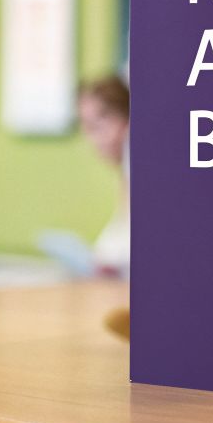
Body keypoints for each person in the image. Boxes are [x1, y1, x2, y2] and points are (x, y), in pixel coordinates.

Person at [78, 74, 131, 279]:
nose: (93, 140)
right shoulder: (127, 166)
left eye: (97, 127)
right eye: (87, 128)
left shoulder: (135, 156)